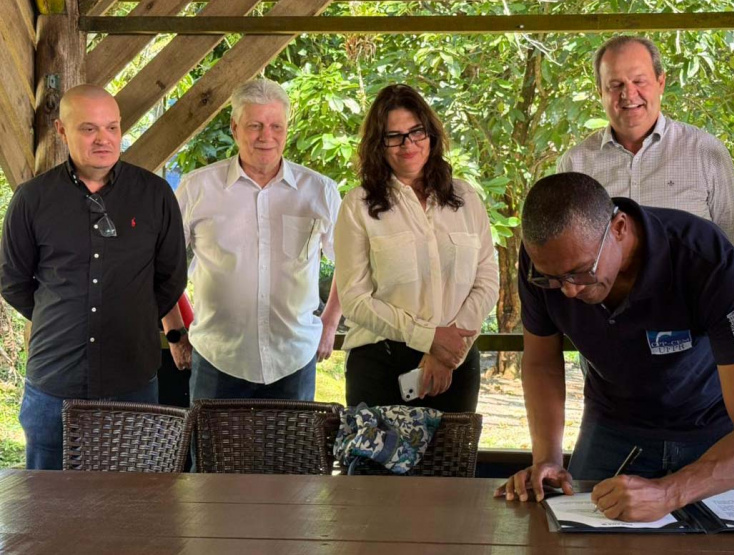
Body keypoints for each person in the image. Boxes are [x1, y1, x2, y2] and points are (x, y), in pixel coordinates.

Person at [495, 173, 734, 522]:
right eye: (553, 279)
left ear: (619, 228)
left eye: (580, 272)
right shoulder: (543, 266)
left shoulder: (704, 257)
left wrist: (670, 492)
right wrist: (547, 457)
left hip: (716, 434)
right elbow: (542, 362)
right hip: (613, 429)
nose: (568, 291)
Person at [0, 85, 186, 470]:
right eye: (88, 129)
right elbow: (12, 280)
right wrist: (61, 315)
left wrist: (134, 315)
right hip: (55, 381)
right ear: (62, 130)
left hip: (132, 378)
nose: (104, 138)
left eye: (112, 127)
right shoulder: (32, 199)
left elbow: (171, 277)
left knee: (130, 504)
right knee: (46, 505)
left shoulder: (154, 195)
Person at [163, 79, 342, 402]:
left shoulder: (320, 191)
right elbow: (161, 264)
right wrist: (175, 331)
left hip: (294, 358)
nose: (266, 136)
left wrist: (329, 324)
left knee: (291, 454)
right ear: (234, 128)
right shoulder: (197, 188)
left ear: (288, 128)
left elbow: (351, 264)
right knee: (213, 454)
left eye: (276, 125)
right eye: (255, 125)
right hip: (218, 358)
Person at [334, 84, 498, 412]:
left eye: (415, 131)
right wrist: (428, 338)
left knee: (452, 465)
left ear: (431, 134)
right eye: (393, 136)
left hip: (456, 361)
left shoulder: (466, 199)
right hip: (380, 366)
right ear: (378, 145)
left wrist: (448, 350)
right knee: (378, 466)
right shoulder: (357, 206)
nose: (407, 144)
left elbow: (487, 280)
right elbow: (354, 301)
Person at [558, 35, 734, 256]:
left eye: (639, 81)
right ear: (600, 92)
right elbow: (569, 255)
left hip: (690, 291)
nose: (628, 94)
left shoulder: (706, 152)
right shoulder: (576, 164)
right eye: (615, 84)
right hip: (611, 292)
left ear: (661, 82)